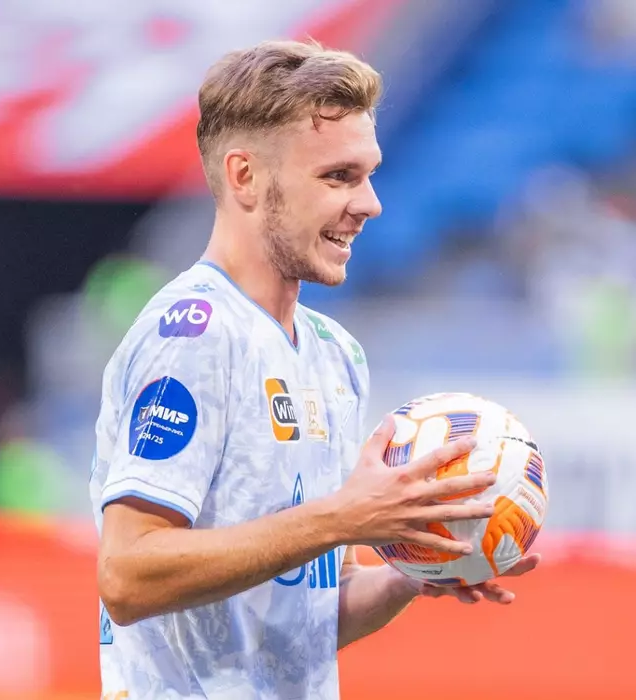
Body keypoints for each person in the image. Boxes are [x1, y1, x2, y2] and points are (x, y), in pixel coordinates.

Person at [89, 39, 540, 700]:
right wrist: (341, 519)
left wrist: (418, 567)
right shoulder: (194, 334)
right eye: (338, 177)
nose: (371, 203)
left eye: (369, 174)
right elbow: (127, 576)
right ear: (245, 177)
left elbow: (302, 622)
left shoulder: (335, 354)